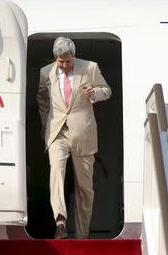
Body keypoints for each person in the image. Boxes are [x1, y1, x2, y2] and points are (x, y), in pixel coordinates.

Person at [36, 37, 112, 239]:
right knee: (57, 170)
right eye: (60, 61)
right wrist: (46, 124)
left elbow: (107, 90)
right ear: (55, 58)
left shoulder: (90, 68)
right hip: (57, 131)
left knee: (85, 189)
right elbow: (42, 98)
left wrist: (95, 93)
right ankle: (60, 220)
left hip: (83, 133)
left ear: (73, 55)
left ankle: (82, 235)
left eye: (68, 61)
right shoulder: (46, 73)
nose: (64, 65)